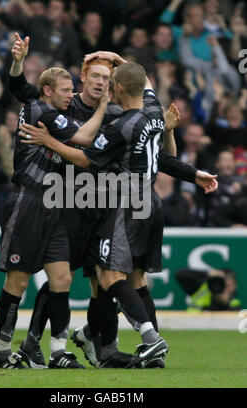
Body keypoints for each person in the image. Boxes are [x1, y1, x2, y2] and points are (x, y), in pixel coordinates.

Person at [19, 61, 218, 367]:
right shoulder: (138, 110)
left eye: (107, 78)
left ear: (117, 87)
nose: (102, 83)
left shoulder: (119, 120)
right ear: (83, 78)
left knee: (109, 279)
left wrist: (50, 142)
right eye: (95, 76)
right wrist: (192, 172)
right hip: (78, 204)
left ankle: (117, 344)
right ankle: (42, 342)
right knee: (71, 276)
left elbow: (88, 157)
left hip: (118, 205)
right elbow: (147, 95)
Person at [0, 35, 109, 369]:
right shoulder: (42, 111)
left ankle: (58, 350)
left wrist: (17, 62)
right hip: (29, 200)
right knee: (18, 281)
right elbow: (84, 138)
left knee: (62, 280)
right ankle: (1, 351)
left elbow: (17, 82)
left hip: (56, 204)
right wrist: (102, 106)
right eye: (66, 89)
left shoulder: (48, 107)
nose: (72, 94)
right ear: (47, 91)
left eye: (72, 88)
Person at [175, 267, 241, 311]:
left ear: (235, 286)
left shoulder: (235, 304)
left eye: (227, 286)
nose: (223, 289)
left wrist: (225, 302)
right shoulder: (201, 289)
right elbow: (180, 274)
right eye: (222, 285)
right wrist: (207, 273)